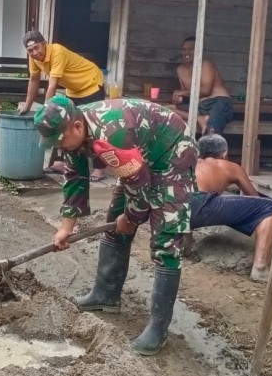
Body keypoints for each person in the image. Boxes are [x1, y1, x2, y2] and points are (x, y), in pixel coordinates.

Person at [34, 95, 197, 356]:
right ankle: (106, 294)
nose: (60, 146)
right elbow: (75, 178)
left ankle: (158, 328)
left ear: (76, 127)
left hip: (170, 154)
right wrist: (66, 227)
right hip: (137, 159)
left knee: (166, 240)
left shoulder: (113, 135)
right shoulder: (76, 133)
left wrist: (131, 219)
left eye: (60, 139)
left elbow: (140, 183)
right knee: (114, 221)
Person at [186, 135, 272, 281]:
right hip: (200, 203)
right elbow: (254, 198)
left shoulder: (189, 162)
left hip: (174, 207)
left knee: (188, 200)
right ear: (224, 154)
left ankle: (185, 247)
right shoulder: (229, 166)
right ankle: (260, 267)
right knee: (270, 207)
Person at [18, 31, 107, 181]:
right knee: (63, 124)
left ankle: (99, 168)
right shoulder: (34, 58)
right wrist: (27, 106)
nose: (34, 53)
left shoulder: (57, 51)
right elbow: (34, 80)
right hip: (73, 90)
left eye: (37, 48)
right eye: (30, 50)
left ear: (45, 44)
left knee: (91, 127)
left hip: (91, 83)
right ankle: (62, 162)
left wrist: (46, 112)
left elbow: (52, 85)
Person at [171, 36, 233, 135]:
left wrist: (182, 92)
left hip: (218, 102)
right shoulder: (180, 70)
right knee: (165, 109)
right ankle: (199, 118)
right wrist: (179, 97)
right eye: (184, 49)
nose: (187, 52)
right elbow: (189, 95)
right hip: (199, 107)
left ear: (198, 51)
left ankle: (215, 149)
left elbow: (206, 91)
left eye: (190, 49)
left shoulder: (206, 64)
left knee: (212, 130)